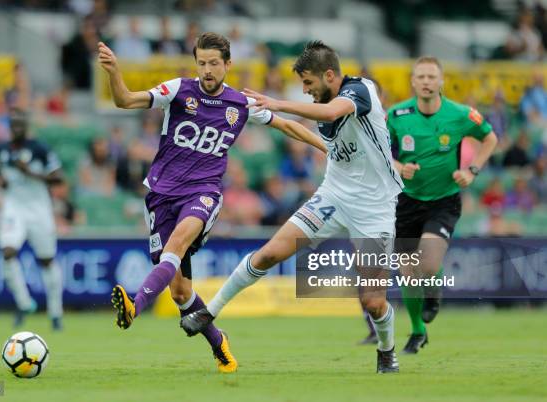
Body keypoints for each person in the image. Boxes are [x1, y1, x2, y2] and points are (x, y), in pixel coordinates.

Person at [98, 32, 326, 374]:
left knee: (177, 244)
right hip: (161, 194)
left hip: (203, 192)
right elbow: (125, 101)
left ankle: (135, 304)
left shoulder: (241, 104)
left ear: (228, 64)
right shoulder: (177, 91)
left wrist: (327, 148)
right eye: (202, 63)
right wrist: (115, 72)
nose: (207, 70)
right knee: (180, 293)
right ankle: (219, 342)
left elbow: (287, 125)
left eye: (214, 63)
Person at [181, 40, 404, 373]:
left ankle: (386, 350)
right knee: (271, 252)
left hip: (375, 209)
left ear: (330, 75)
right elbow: (304, 125)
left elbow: (330, 113)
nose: (306, 90)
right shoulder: (323, 100)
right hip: (333, 196)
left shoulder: (361, 91)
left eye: (309, 83)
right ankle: (209, 311)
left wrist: (278, 103)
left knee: (373, 302)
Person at [386, 56, 497, 354]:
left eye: (431, 77)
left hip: (443, 201)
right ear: (412, 81)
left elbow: (490, 138)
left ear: (441, 81)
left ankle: (433, 292)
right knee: (408, 273)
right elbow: (378, 149)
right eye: (420, 76)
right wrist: (397, 165)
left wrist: (472, 171)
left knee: (429, 263)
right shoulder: (396, 114)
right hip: (405, 202)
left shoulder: (461, 115)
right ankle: (418, 332)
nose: (425, 82)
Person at [0, 108, 65, 330]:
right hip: (14, 208)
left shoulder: (40, 149)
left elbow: (58, 177)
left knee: (46, 260)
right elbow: (5, 177)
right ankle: (24, 302)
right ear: (9, 127)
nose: (16, 129)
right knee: (8, 251)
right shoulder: (4, 150)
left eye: (20, 125)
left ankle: (55, 313)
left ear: (26, 127)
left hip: (39, 209)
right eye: (13, 125)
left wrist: (29, 173)